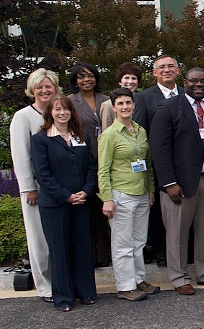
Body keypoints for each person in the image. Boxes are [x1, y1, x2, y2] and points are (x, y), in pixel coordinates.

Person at [150, 68, 204, 295]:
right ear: (185, 82)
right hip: (179, 183)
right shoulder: (168, 108)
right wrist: (169, 183)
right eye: (194, 81)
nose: (199, 84)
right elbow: (159, 150)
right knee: (177, 233)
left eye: (203, 81)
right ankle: (179, 277)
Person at [30, 95, 97, 311]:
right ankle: (64, 298)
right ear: (49, 113)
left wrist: (85, 192)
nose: (62, 113)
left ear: (71, 112)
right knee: (60, 250)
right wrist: (66, 195)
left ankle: (85, 292)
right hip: (55, 204)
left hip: (82, 202)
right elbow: (42, 174)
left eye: (65, 109)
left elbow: (91, 167)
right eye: (57, 109)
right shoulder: (41, 139)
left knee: (82, 247)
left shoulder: (82, 136)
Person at [98, 87, 158, 301]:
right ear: (113, 108)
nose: (125, 107)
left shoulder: (140, 130)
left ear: (134, 105)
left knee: (139, 241)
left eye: (128, 103)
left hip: (141, 192)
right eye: (120, 104)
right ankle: (125, 286)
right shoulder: (109, 135)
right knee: (122, 243)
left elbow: (148, 163)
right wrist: (106, 198)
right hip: (121, 194)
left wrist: (150, 189)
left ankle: (139, 279)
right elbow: (103, 169)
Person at [11, 68, 59, 302]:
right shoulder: (23, 117)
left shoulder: (60, 112)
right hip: (36, 190)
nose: (44, 90)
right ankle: (44, 285)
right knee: (38, 238)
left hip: (59, 187)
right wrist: (28, 187)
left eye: (48, 86)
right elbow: (20, 155)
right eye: (39, 87)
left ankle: (60, 280)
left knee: (56, 237)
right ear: (32, 90)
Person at [132, 54, 180, 267]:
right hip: (157, 162)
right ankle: (161, 251)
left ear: (178, 71)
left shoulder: (186, 95)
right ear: (154, 72)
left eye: (171, 66)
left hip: (185, 162)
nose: (167, 70)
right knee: (160, 211)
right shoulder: (144, 97)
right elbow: (140, 131)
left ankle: (182, 251)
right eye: (162, 67)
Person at [68, 61, 112, 267]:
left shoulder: (107, 100)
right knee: (89, 211)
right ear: (75, 81)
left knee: (107, 208)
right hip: (83, 160)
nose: (87, 80)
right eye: (81, 76)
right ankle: (92, 256)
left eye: (90, 75)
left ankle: (107, 254)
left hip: (107, 160)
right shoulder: (69, 102)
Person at [99, 61, 144, 130]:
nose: (130, 82)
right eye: (126, 78)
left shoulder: (143, 102)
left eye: (134, 78)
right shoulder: (108, 105)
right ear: (120, 81)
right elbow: (106, 130)